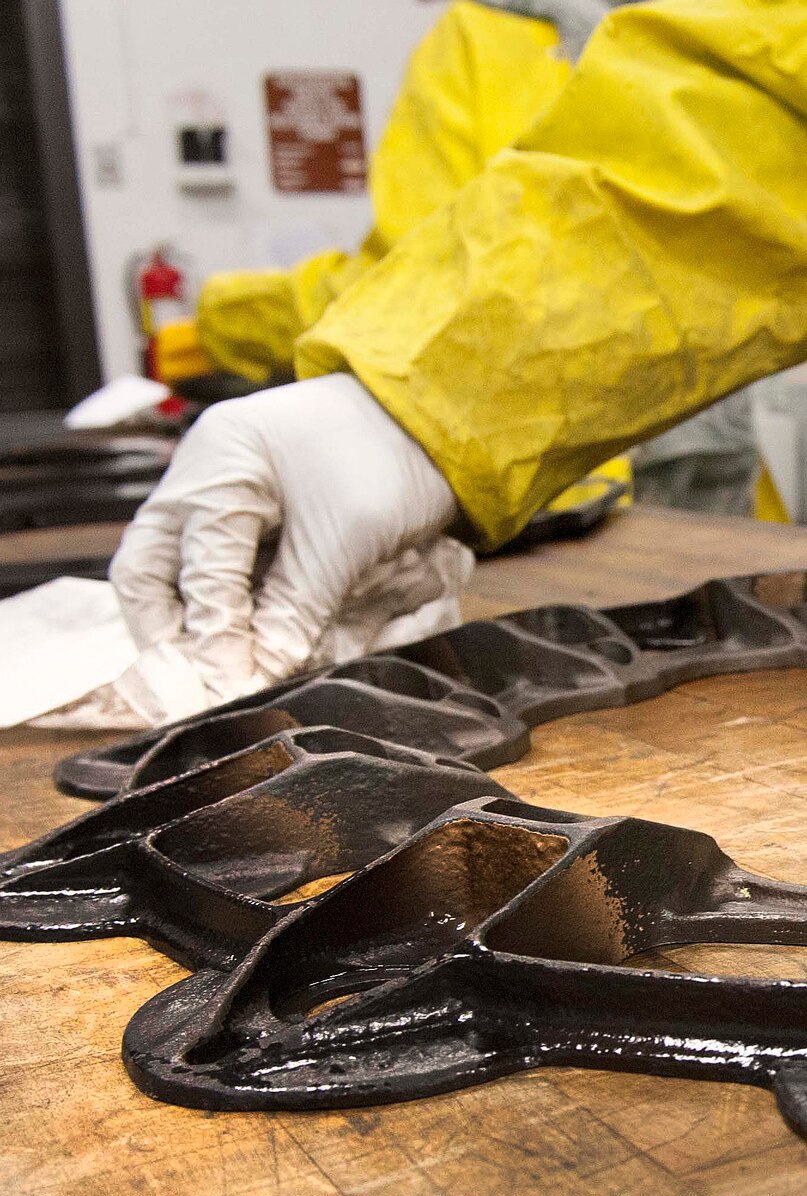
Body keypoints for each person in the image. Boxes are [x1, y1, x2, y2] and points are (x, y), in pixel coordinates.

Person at [111, 0, 807, 707]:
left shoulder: (478, 37)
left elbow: (394, 264)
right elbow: (749, 136)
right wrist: (417, 399)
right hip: (648, 491)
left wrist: (232, 326)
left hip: (560, 498)